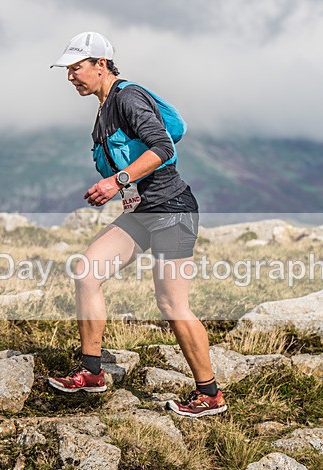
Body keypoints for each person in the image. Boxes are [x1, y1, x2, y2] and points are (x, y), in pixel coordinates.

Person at [46, 31, 226, 417]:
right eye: (67, 70)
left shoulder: (128, 97)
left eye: (76, 68)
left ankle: (209, 394)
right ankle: (91, 373)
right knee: (86, 271)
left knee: (172, 305)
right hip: (141, 212)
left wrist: (116, 181)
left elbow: (163, 148)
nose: (70, 77)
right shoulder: (104, 107)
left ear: (101, 64)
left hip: (171, 209)